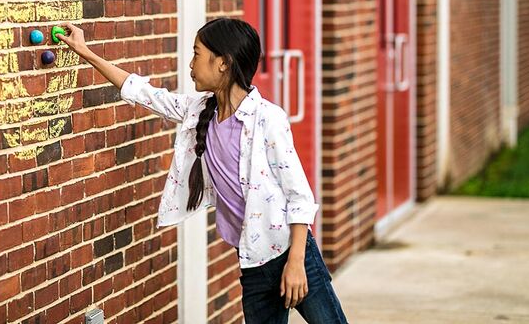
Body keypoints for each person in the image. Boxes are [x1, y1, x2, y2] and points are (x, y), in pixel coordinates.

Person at [55, 17, 348, 323]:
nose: (191, 63)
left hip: (293, 254)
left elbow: (299, 196)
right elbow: (143, 93)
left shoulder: (267, 119)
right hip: (253, 263)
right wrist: (84, 52)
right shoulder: (199, 111)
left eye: (196, 53)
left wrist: (297, 263)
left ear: (223, 63)